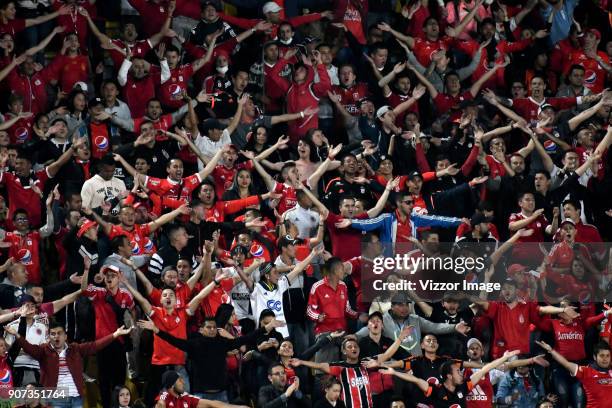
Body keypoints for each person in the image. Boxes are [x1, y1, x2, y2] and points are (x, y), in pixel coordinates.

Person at [5, 320, 132, 408]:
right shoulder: (44, 351)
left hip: (76, 396)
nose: (56, 337)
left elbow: (95, 345)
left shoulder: (75, 349)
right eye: (53, 334)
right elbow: (28, 347)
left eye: (59, 333)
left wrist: (115, 334)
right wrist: (16, 334)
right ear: (49, 337)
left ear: (65, 336)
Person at [536, 340, 612, 408]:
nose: (605, 359)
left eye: (607, 356)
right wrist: (551, 350)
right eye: (602, 356)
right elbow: (566, 364)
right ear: (595, 357)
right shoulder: (586, 371)